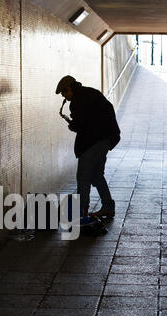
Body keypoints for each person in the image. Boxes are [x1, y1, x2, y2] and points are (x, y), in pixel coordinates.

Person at [56, 75, 120, 218]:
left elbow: (80, 125)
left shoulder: (78, 101)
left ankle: (81, 212)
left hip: (93, 142)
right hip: (106, 138)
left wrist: (72, 125)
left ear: (69, 88)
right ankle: (108, 207)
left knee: (83, 177)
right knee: (96, 175)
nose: (64, 97)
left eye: (64, 93)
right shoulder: (90, 93)